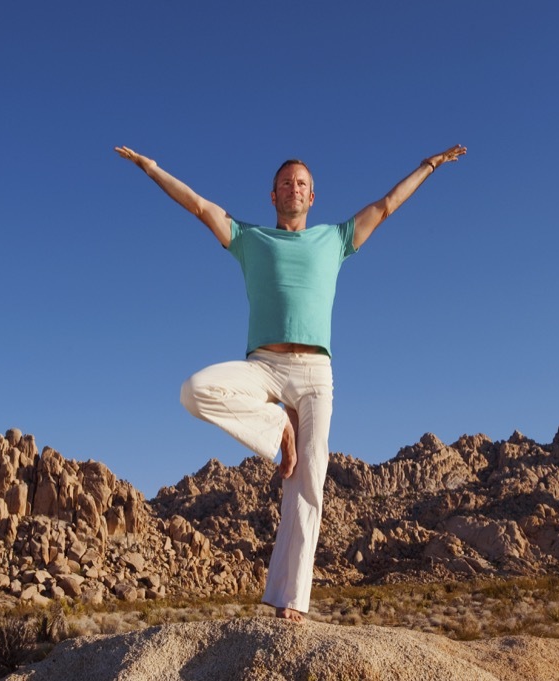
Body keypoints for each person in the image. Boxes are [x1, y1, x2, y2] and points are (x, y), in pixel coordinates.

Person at [114, 143, 467, 622]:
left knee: (308, 481)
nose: (293, 188)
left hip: (315, 375)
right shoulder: (248, 237)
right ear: (273, 194)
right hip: (262, 366)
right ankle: (274, 424)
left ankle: (289, 601)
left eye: (301, 183)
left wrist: (428, 166)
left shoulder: (336, 238)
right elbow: (198, 205)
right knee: (195, 390)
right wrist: (150, 167)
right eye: (285, 182)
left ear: (312, 196)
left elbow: (386, 206)